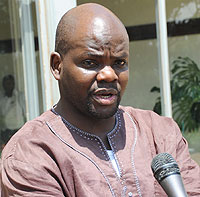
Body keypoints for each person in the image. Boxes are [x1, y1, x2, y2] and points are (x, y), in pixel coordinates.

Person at [1, 3, 200, 197]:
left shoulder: (159, 133)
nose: (109, 75)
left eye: (119, 62)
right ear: (57, 66)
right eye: (90, 63)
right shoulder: (31, 152)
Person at [0, 75, 25, 152]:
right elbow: (3, 112)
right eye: (7, 84)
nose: (9, 86)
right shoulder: (2, 99)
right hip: (6, 133)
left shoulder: (20, 96)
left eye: (10, 83)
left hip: (19, 130)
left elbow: (24, 112)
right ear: (3, 85)